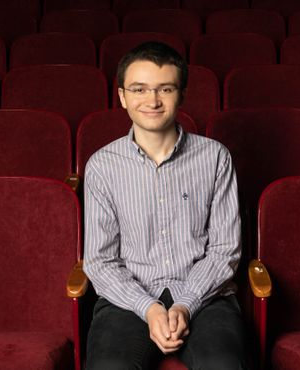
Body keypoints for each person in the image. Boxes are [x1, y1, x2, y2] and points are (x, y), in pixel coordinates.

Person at [83, 41, 246, 370]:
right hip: (128, 299)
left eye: (165, 89)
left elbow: (225, 250)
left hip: (206, 295)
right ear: (122, 96)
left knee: (224, 364)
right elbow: (100, 261)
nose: (152, 101)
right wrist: (149, 308)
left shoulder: (215, 157)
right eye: (139, 89)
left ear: (181, 94)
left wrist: (186, 304)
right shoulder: (101, 166)